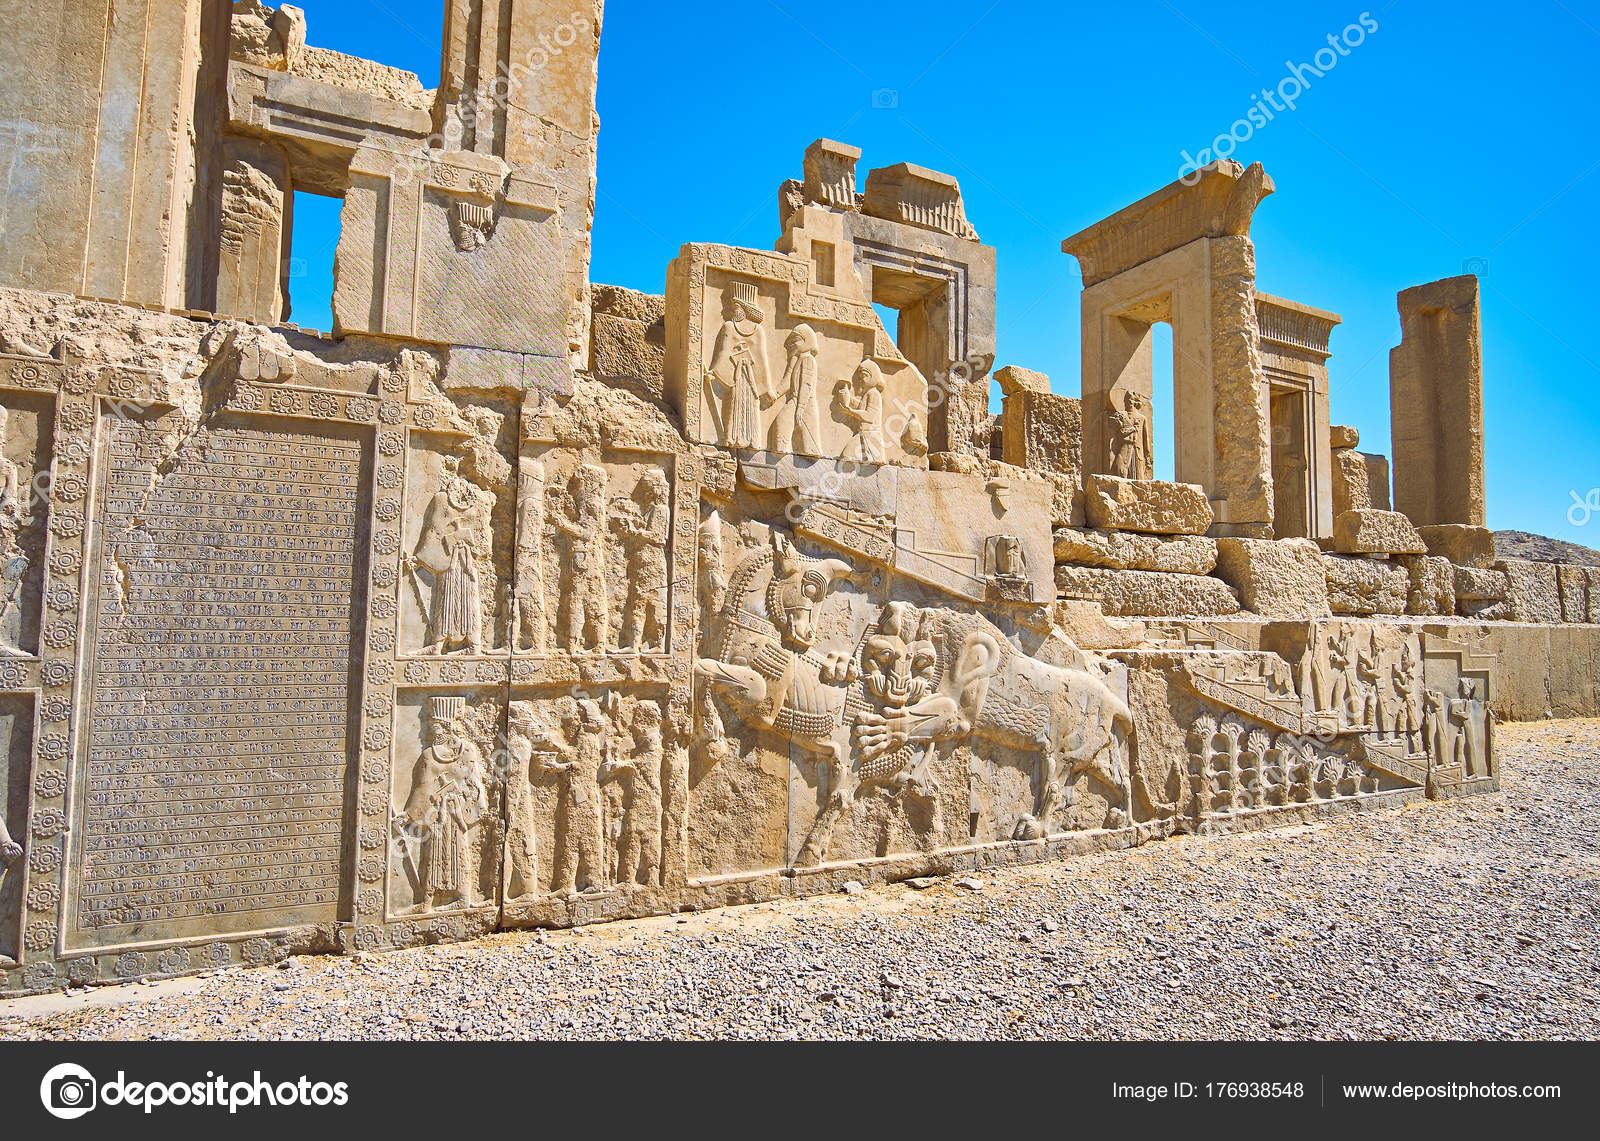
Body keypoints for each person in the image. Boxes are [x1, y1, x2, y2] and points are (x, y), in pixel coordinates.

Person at [395, 698, 488, 912]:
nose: (429, 731)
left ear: (447, 727)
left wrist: (468, 801)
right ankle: (427, 902)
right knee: (432, 854)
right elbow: (422, 788)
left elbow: (474, 783)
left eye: (435, 727)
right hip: (436, 814)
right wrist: (409, 815)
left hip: (456, 813)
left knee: (460, 852)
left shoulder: (467, 751)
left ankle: (463, 897)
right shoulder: (429, 755)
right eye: (430, 726)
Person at [408, 453, 492, 656]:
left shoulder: (477, 500)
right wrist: (419, 559)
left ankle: (472, 645)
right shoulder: (443, 499)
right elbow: (434, 531)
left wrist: (420, 558)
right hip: (449, 559)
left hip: (464, 560)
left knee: (467, 599)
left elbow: (482, 537)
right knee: (447, 599)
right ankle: (439, 644)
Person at [704, 284, 771, 450]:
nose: (725, 311)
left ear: (745, 309)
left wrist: (767, 388)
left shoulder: (758, 330)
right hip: (736, 376)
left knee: (751, 406)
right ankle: (732, 437)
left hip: (751, 379)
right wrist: (714, 372)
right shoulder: (729, 327)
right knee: (734, 404)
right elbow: (723, 352)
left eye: (734, 307)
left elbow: (762, 359)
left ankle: (752, 440)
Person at [613, 469, 670, 653]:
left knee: (653, 602)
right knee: (638, 601)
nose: (645, 493)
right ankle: (634, 644)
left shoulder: (661, 510)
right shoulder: (650, 510)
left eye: (647, 488)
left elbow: (658, 536)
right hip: (643, 561)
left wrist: (635, 532)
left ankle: (658, 644)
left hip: (652, 562)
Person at [554, 465, 610, 651]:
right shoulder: (584, 502)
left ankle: (596, 643)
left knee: (589, 598)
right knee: (576, 598)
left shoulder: (592, 503)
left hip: (587, 559)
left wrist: (562, 523)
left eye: (579, 482)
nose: (576, 486)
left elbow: (587, 532)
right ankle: (574, 643)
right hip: (579, 557)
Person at [772, 323, 823, 456]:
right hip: (796, 400)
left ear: (807, 341)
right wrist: (775, 394)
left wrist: (801, 407)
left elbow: (806, 385)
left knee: (805, 438)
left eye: (795, 341)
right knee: (782, 424)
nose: (792, 345)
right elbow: (788, 381)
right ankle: (783, 452)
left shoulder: (808, 360)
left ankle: (784, 454)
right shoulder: (798, 360)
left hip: (804, 402)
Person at [836, 360, 886, 463]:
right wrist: (848, 399)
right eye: (859, 377)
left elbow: (870, 416)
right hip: (863, 433)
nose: (860, 379)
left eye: (864, 375)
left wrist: (850, 411)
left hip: (870, 435)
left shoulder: (874, 394)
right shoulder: (868, 393)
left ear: (873, 377)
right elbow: (861, 407)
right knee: (847, 457)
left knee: (847, 457)